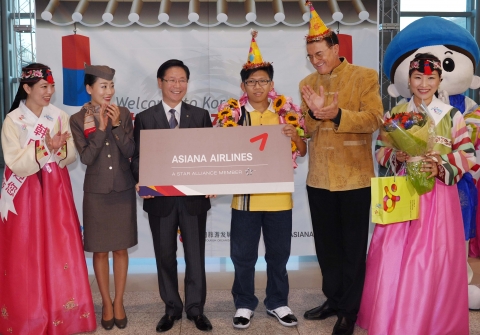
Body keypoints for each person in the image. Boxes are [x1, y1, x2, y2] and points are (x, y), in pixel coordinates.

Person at [357, 53, 475, 335]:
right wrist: (396, 154)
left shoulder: (452, 116)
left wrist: (440, 166)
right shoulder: (394, 115)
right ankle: (389, 317)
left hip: (440, 198)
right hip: (401, 192)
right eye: (418, 77)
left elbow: (468, 155)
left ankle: (432, 320)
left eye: (430, 77)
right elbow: (380, 151)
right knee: (392, 254)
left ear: (439, 80)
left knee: (432, 258)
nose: (424, 84)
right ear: (408, 81)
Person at [299, 3, 383, 335]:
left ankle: (350, 310)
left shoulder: (364, 77)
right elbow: (307, 128)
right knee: (326, 248)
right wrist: (306, 120)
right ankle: (333, 299)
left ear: (336, 48)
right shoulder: (307, 82)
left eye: (320, 54)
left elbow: (374, 119)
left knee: (351, 250)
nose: (316, 61)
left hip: (355, 178)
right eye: (311, 56)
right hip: (318, 177)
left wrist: (334, 113)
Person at [216, 30, 306, 329]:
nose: (258, 86)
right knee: (243, 257)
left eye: (263, 81)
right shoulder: (233, 113)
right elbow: (218, 150)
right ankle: (244, 303)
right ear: (243, 85)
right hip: (245, 198)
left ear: (271, 83)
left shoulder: (286, 113)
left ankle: (278, 302)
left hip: (279, 195)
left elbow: (303, 149)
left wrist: (296, 137)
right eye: (252, 81)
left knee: (279, 255)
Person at [0, 63, 96, 334]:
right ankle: (28, 316)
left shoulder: (58, 116)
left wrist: (60, 147)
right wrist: (45, 146)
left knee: (59, 245)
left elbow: (69, 157)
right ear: (27, 88)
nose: (50, 92)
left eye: (52, 86)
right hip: (25, 192)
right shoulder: (13, 120)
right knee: (25, 250)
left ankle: (63, 313)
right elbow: (14, 161)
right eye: (44, 87)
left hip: (54, 188)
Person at [130, 59, 214, 333]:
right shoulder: (145, 118)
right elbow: (137, 158)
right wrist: (142, 180)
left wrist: (212, 180)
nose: (177, 85)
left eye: (182, 80)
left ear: (187, 84)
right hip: (161, 201)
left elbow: (209, 156)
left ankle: (195, 309)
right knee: (165, 255)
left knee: (195, 255)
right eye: (171, 80)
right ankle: (172, 307)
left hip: (193, 200)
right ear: (160, 82)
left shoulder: (200, 116)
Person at [69, 65, 137, 330]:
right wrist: (100, 127)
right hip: (96, 193)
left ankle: (119, 302)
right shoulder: (76, 119)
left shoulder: (125, 114)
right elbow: (86, 158)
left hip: (122, 189)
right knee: (99, 251)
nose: (108, 91)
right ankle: (106, 303)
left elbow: (131, 149)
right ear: (89, 89)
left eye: (111, 86)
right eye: (103, 86)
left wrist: (117, 125)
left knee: (120, 249)